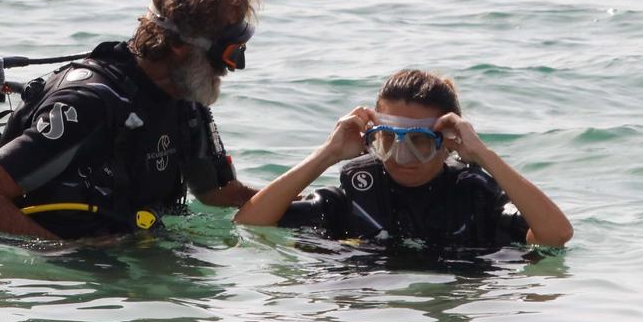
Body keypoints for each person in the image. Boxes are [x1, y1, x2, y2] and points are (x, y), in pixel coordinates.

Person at [0, 0, 258, 241]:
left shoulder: (185, 100)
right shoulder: (88, 105)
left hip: (134, 255)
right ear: (179, 45)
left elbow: (218, 192)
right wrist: (60, 255)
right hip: (74, 277)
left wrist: (300, 199)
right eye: (227, 53)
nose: (235, 67)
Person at [235, 69, 573, 252]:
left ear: (448, 144)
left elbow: (556, 235)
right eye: (388, 141)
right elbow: (249, 223)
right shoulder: (357, 193)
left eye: (421, 142)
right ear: (373, 138)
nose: (402, 158)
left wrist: (483, 156)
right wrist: (327, 154)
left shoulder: (474, 196)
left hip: (448, 306)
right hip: (367, 311)